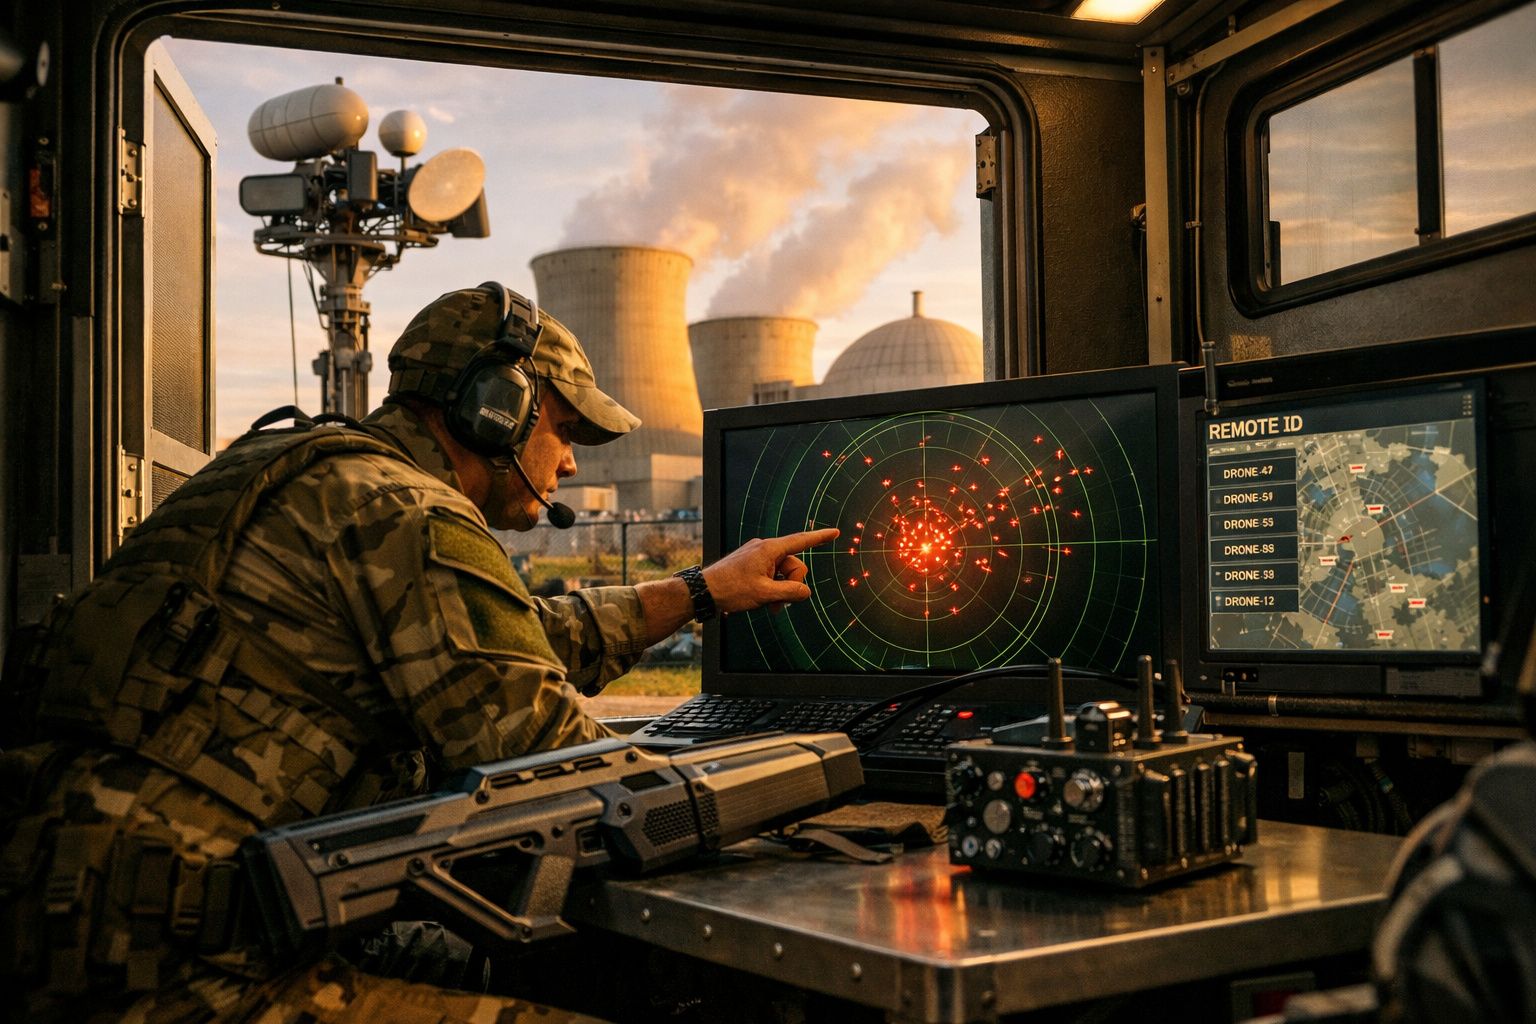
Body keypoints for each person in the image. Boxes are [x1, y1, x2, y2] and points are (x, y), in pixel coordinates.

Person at [0, 282, 837, 1023]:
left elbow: (500, 642)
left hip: (73, 917)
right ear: (495, 407)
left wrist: (702, 590)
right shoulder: (411, 514)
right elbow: (567, 771)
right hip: (184, 973)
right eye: (563, 428)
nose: (571, 461)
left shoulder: (298, 470)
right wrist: (810, 778)